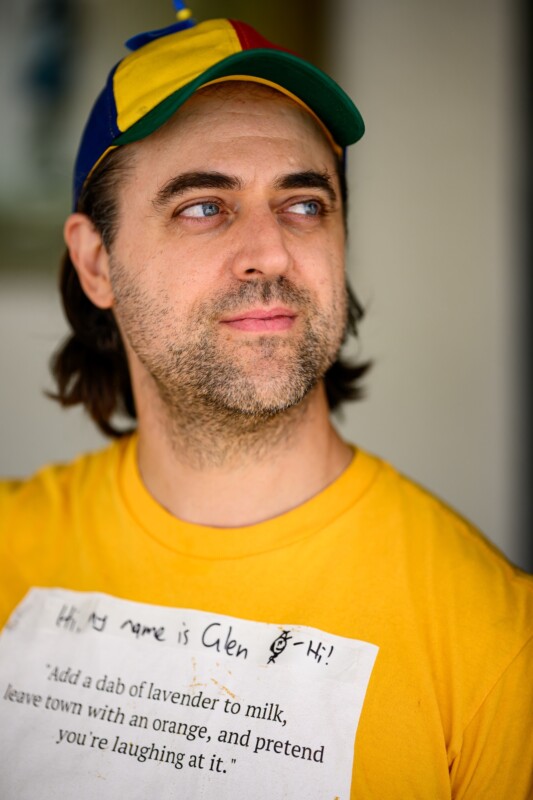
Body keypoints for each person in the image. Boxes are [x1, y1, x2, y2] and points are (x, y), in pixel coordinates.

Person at [0, 5, 532, 799]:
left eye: (305, 203)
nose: (272, 251)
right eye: (203, 207)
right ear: (95, 262)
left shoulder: (499, 641)